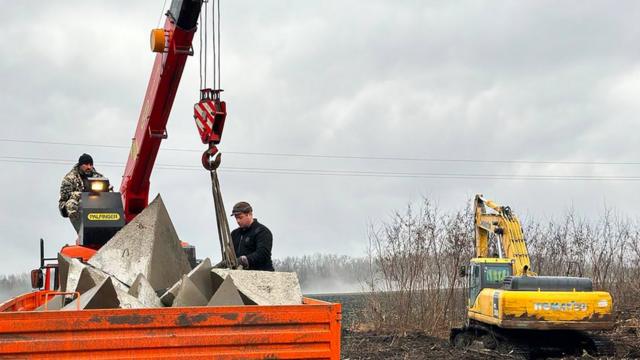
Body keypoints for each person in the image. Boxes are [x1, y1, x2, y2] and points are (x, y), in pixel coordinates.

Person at [58, 153, 104, 232]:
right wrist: (83, 195)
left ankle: (104, 229)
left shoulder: (98, 177)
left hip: (94, 201)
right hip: (75, 203)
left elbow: (108, 189)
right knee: (71, 204)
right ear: (80, 165)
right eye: (86, 164)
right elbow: (66, 196)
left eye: (90, 164)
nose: (89, 167)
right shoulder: (70, 178)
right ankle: (81, 232)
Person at [230, 201, 274, 271]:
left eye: (240, 217)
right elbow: (228, 254)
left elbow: (262, 254)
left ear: (249, 214)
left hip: (261, 275)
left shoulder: (262, 232)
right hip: (239, 275)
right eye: (236, 218)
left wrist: (244, 260)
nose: (238, 221)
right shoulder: (234, 234)